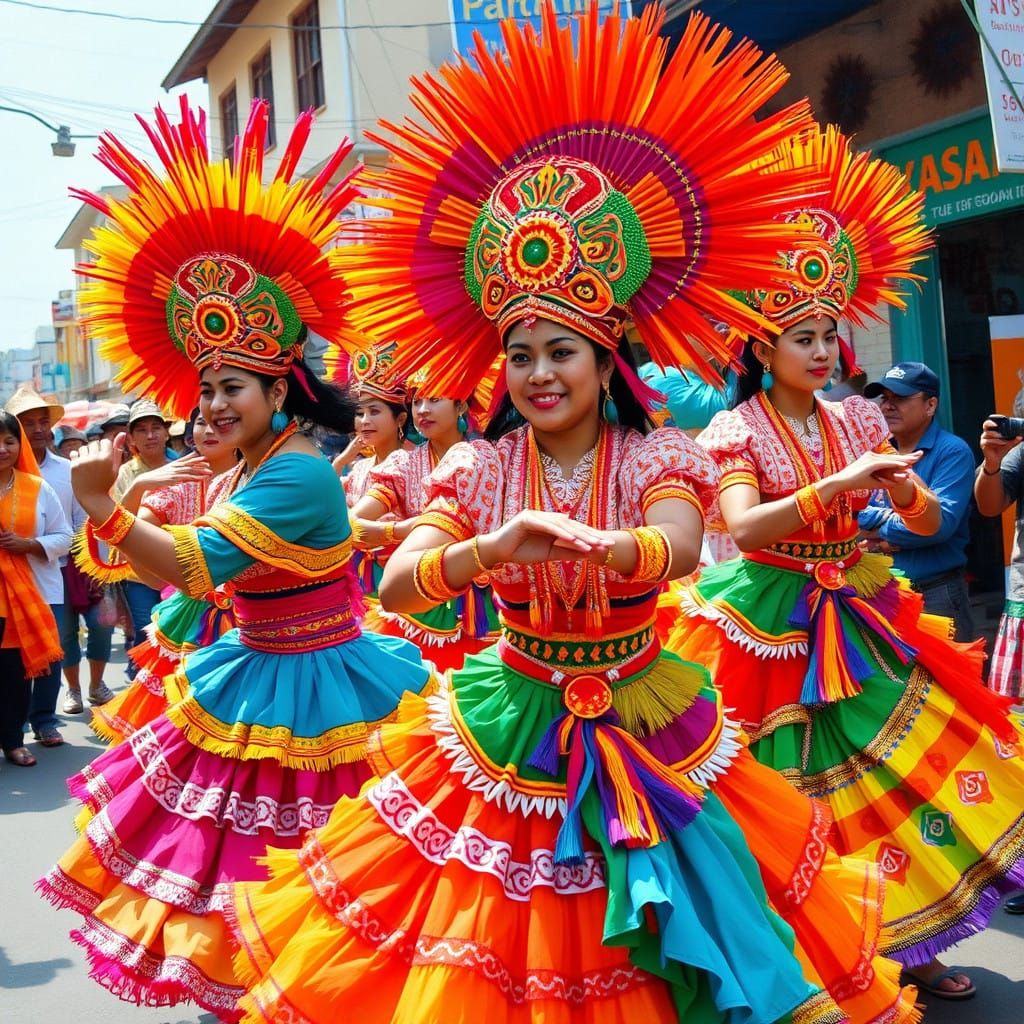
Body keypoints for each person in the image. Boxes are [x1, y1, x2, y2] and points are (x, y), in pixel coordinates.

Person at [228, 10, 918, 1024]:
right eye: (521, 353)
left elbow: (683, 547)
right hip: (512, 722)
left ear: (608, 359)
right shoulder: (479, 460)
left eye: (562, 350)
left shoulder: (661, 451)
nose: (539, 372)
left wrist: (615, 547)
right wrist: (486, 550)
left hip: (647, 707)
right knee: (499, 950)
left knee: (680, 947)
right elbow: (394, 580)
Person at [37, 98, 433, 1017]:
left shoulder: (295, 477)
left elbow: (189, 571)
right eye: (205, 386)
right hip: (253, 671)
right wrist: (122, 508)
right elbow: (146, 569)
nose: (211, 403)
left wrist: (107, 502)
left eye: (232, 387)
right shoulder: (248, 466)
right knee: (239, 900)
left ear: (282, 388)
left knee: (305, 898)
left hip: (318, 685)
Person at [663, 125, 1024, 1000]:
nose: (823, 350)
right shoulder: (733, 430)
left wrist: (898, 494)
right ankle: (827, 956)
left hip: (862, 606)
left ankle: (917, 941)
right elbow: (743, 529)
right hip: (766, 622)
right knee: (795, 798)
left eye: (829, 333)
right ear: (760, 348)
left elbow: (934, 515)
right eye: (802, 336)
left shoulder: (860, 419)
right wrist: (843, 487)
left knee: (894, 780)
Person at [89, 410, 238, 745]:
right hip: (188, 617)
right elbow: (129, 559)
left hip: (256, 618)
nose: (210, 429)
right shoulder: (172, 487)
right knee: (182, 722)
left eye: (221, 420)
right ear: (189, 434)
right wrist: (140, 485)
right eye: (201, 421)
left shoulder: (264, 479)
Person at [350, 373, 501, 671]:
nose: (423, 410)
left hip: (483, 602)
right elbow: (353, 524)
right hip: (419, 599)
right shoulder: (404, 465)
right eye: (417, 401)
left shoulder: (487, 456)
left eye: (434, 399)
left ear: (461, 407)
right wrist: (403, 530)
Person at [4, 383, 108, 743]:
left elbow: (81, 525)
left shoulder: (66, 471)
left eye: (41, 421)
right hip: (7, 589)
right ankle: (11, 730)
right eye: (26, 423)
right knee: (10, 660)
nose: (36, 429)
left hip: (57, 573)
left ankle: (45, 718)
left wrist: (93, 566)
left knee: (53, 646)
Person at [859, 361, 976, 641]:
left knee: (945, 684)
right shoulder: (874, 452)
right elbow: (852, 513)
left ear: (930, 405)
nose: (887, 406)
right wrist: (893, 525)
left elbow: (938, 526)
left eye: (899, 398)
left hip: (935, 595)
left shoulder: (953, 452)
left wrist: (877, 535)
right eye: (884, 398)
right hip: (881, 594)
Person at [0, 411, 70, 765]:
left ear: (19, 445)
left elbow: (65, 536)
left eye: (9, 441)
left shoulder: (37, 487)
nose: (2, 448)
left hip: (30, 594)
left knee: (16, 672)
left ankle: (14, 740)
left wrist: (28, 545)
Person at [112, 398, 174, 677]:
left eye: (155, 427)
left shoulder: (184, 464)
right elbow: (121, 518)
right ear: (132, 438)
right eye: (142, 430)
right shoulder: (125, 474)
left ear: (166, 431)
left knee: (176, 631)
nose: (150, 435)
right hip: (138, 570)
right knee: (146, 631)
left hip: (178, 564)